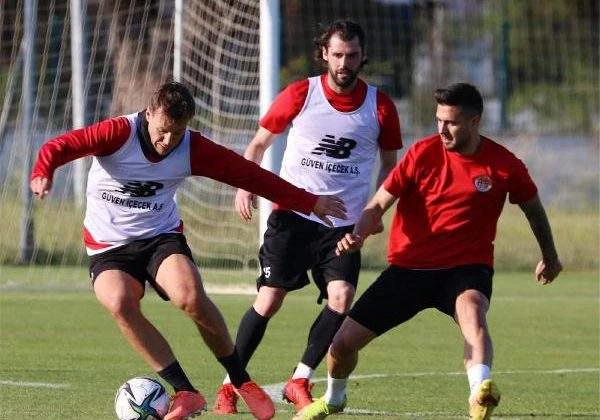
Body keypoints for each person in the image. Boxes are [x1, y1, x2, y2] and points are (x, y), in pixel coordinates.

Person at [29, 81, 348, 420]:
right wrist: (43, 171)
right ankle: (186, 392)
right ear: (149, 114)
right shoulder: (118, 133)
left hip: (159, 236)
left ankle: (240, 379)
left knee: (190, 296)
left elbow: (250, 175)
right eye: (163, 131)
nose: (168, 141)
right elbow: (60, 146)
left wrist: (309, 201)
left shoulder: (191, 148)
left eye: (177, 133)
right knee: (119, 303)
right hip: (109, 244)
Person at [296, 82, 563, 420]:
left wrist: (550, 257)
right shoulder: (422, 154)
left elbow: (534, 210)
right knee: (342, 345)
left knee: (472, 312)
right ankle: (335, 398)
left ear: (474, 121)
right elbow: (378, 204)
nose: (442, 129)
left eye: (451, 122)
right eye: (438, 120)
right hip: (408, 270)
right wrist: (359, 234)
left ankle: (479, 393)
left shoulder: (504, 164)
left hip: (465, 268)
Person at [213, 20, 402, 415]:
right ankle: (230, 384)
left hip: (343, 226)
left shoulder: (380, 106)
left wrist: (374, 210)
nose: (345, 63)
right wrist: (245, 186)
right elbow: (258, 144)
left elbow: (390, 166)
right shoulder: (301, 94)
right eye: (338, 55)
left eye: (352, 55)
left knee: (341, 297)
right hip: (293, 218)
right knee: (270, 299)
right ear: (324, 54)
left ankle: (299, 379)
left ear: (363, 56)